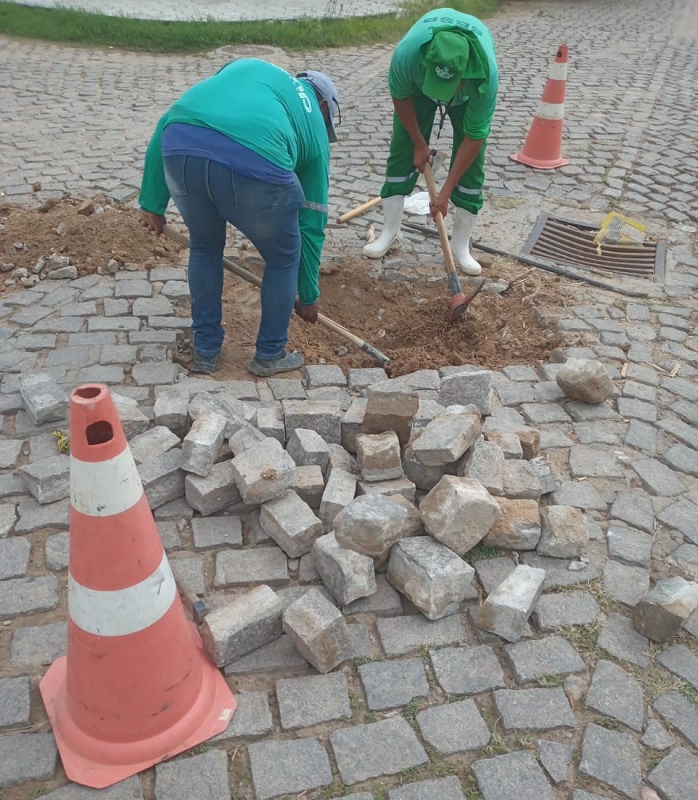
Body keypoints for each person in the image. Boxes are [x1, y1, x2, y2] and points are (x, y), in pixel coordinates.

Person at [138, 59, 340, 376]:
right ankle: (270, 354)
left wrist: (152, 202)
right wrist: (308, 294)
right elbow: (311, 222)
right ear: (324, 106)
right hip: (255, 160)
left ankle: (205, 350)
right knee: (284, 256)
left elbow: (169, 119)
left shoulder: (249, 68)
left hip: (181, 147)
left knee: (204, 247)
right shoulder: (314, 124)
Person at [364, 8, 498, 275]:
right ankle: (390, 232)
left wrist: (446, 191)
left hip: (467, 99)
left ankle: (461, 245)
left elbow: (474, 138)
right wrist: (418, 143)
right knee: (402, 149)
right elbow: (400, 96)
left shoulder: (485, 77)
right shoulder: (407, 55)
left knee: (472, 167)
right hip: (417, 89)